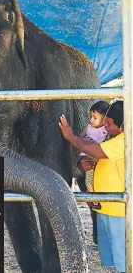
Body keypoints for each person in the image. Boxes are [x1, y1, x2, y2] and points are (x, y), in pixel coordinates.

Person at [59, 100, 125, 273]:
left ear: (124, 126)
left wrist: (70, 136)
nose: (105, 125)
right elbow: (95, 157)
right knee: (111, 259)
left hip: (119, 210)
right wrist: (82, 164)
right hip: (105, 205)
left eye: (110, 123)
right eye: (105, 121)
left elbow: (97, 151)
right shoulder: (112, 136)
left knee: (124, 259)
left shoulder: (126, 139)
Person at [78, 100, 110, 210]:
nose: (91, 120)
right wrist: (84, 140)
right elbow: (79, 137)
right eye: (90, 116)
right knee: (89, 175)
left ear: (104, 119)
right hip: (87, 156)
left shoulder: (106, 129)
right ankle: (93, 198)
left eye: (95, 117)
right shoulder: (88, 127)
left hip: (99, 157)